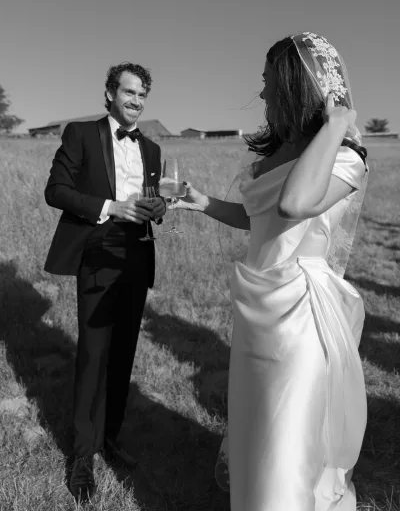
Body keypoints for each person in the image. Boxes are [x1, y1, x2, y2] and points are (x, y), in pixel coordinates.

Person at [172, 33, 368, 510]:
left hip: (299, 312)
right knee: (257, 426)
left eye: (267, 83)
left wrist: (337, 123)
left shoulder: (345, 157)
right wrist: (204, 204)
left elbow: (295, 203)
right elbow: (257, 218)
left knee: (288, 436)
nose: (261, 95)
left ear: (293, 87)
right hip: (256, 306)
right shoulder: (276, 154)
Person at [44, 62, 166, 503]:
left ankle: (109, 439)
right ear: (111, 93)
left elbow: (153, 199)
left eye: (142, 95)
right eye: (129, 92)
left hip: (137, 255)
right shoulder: (80, 134)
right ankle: (81, 456)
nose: (136, 101)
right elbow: (55, 190)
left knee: (123, 354)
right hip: (97, 253)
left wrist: (159, 209)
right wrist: (111, 207)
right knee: (93, 356)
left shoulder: (151, 149)